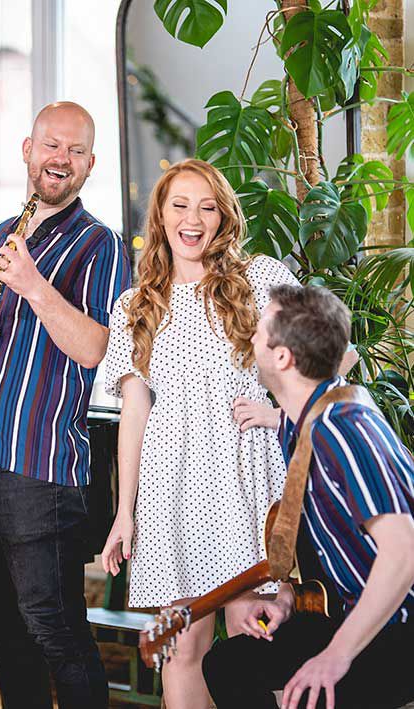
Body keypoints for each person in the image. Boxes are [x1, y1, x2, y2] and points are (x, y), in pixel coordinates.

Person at [0, 101, 131, 709]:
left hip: (39, 468)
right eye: (51, 145)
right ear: (28, 150)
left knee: (55, 630)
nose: (61, 159)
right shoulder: (0, 234)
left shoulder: (102, 245)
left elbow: (97, 349)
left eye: (76, 150)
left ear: (90, 164)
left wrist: (34, 284)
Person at [100, 158, 300, 708]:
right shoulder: (135, 306)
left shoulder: (260, 278)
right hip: (170, 489)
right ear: (160, 217)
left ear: (223, 217)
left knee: (253, 635)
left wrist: (281, 416)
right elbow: (134, 413)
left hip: (245, 479)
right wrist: (124, 513)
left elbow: (337, 358)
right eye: (180, 206)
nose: (193, 220)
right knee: (182, 648)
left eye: (207, 207)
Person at [202, 285, 414, 709]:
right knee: (231, 665)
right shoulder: (303, 422)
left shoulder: (344, 428)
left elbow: (405, 551)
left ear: (283, 357)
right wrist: (288, 600)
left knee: (312, 693)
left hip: (400, 629)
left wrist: (336, 657)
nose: (252, 336)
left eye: (261, 330)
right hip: (350, 612)